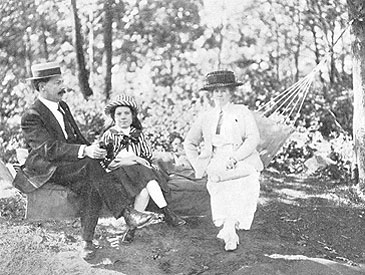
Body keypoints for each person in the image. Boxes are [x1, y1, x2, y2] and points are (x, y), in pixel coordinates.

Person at [12, 61, 157, 260]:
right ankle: (126, 213)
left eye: (62, 81)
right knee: (91, 166)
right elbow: (47, 149)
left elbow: (76, 138)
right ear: (41, 86)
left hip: (71, 165)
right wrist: (85, 151)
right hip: (48, 168)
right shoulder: (32, 115)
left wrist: (95, 149)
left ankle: (86, 242)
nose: (62, 87)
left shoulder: (62, 106)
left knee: (92, 180)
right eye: (57, 83)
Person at [184, 70, 264, 251]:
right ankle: (230, 229)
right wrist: (198, 164)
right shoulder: (206, 116)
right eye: (216, 90)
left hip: (240, 155)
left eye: (224, 90)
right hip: (216, 158)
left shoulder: (242, 111)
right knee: (220, 180)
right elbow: (189, 142)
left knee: (247, 179)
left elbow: (253, 138)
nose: (219, 94)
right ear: (211, 94)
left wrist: (235, 157)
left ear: (231, 92)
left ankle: (229, 229)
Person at [100, 95, 186, 241]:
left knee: (145, 191)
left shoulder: (138, 135)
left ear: (133, 116)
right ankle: (167, 212)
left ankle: (131, 230)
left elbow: (147, 155)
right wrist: (132, 158)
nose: (123, 117)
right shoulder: (109, 135)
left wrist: (139, 159)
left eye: (127, 113)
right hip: (120, 173)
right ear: (114, 117)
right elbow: (105, 161)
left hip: (140, 173)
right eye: (119, 114)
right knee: (144, 173)